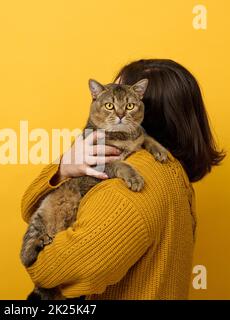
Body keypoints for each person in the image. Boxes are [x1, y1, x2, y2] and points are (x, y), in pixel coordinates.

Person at [21, 59, 225, 299]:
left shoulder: (128, 187)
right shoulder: (171, 171)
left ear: (144, 108)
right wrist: (63, 169)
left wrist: (36, 261)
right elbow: (33, 208)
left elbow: (51, 269)